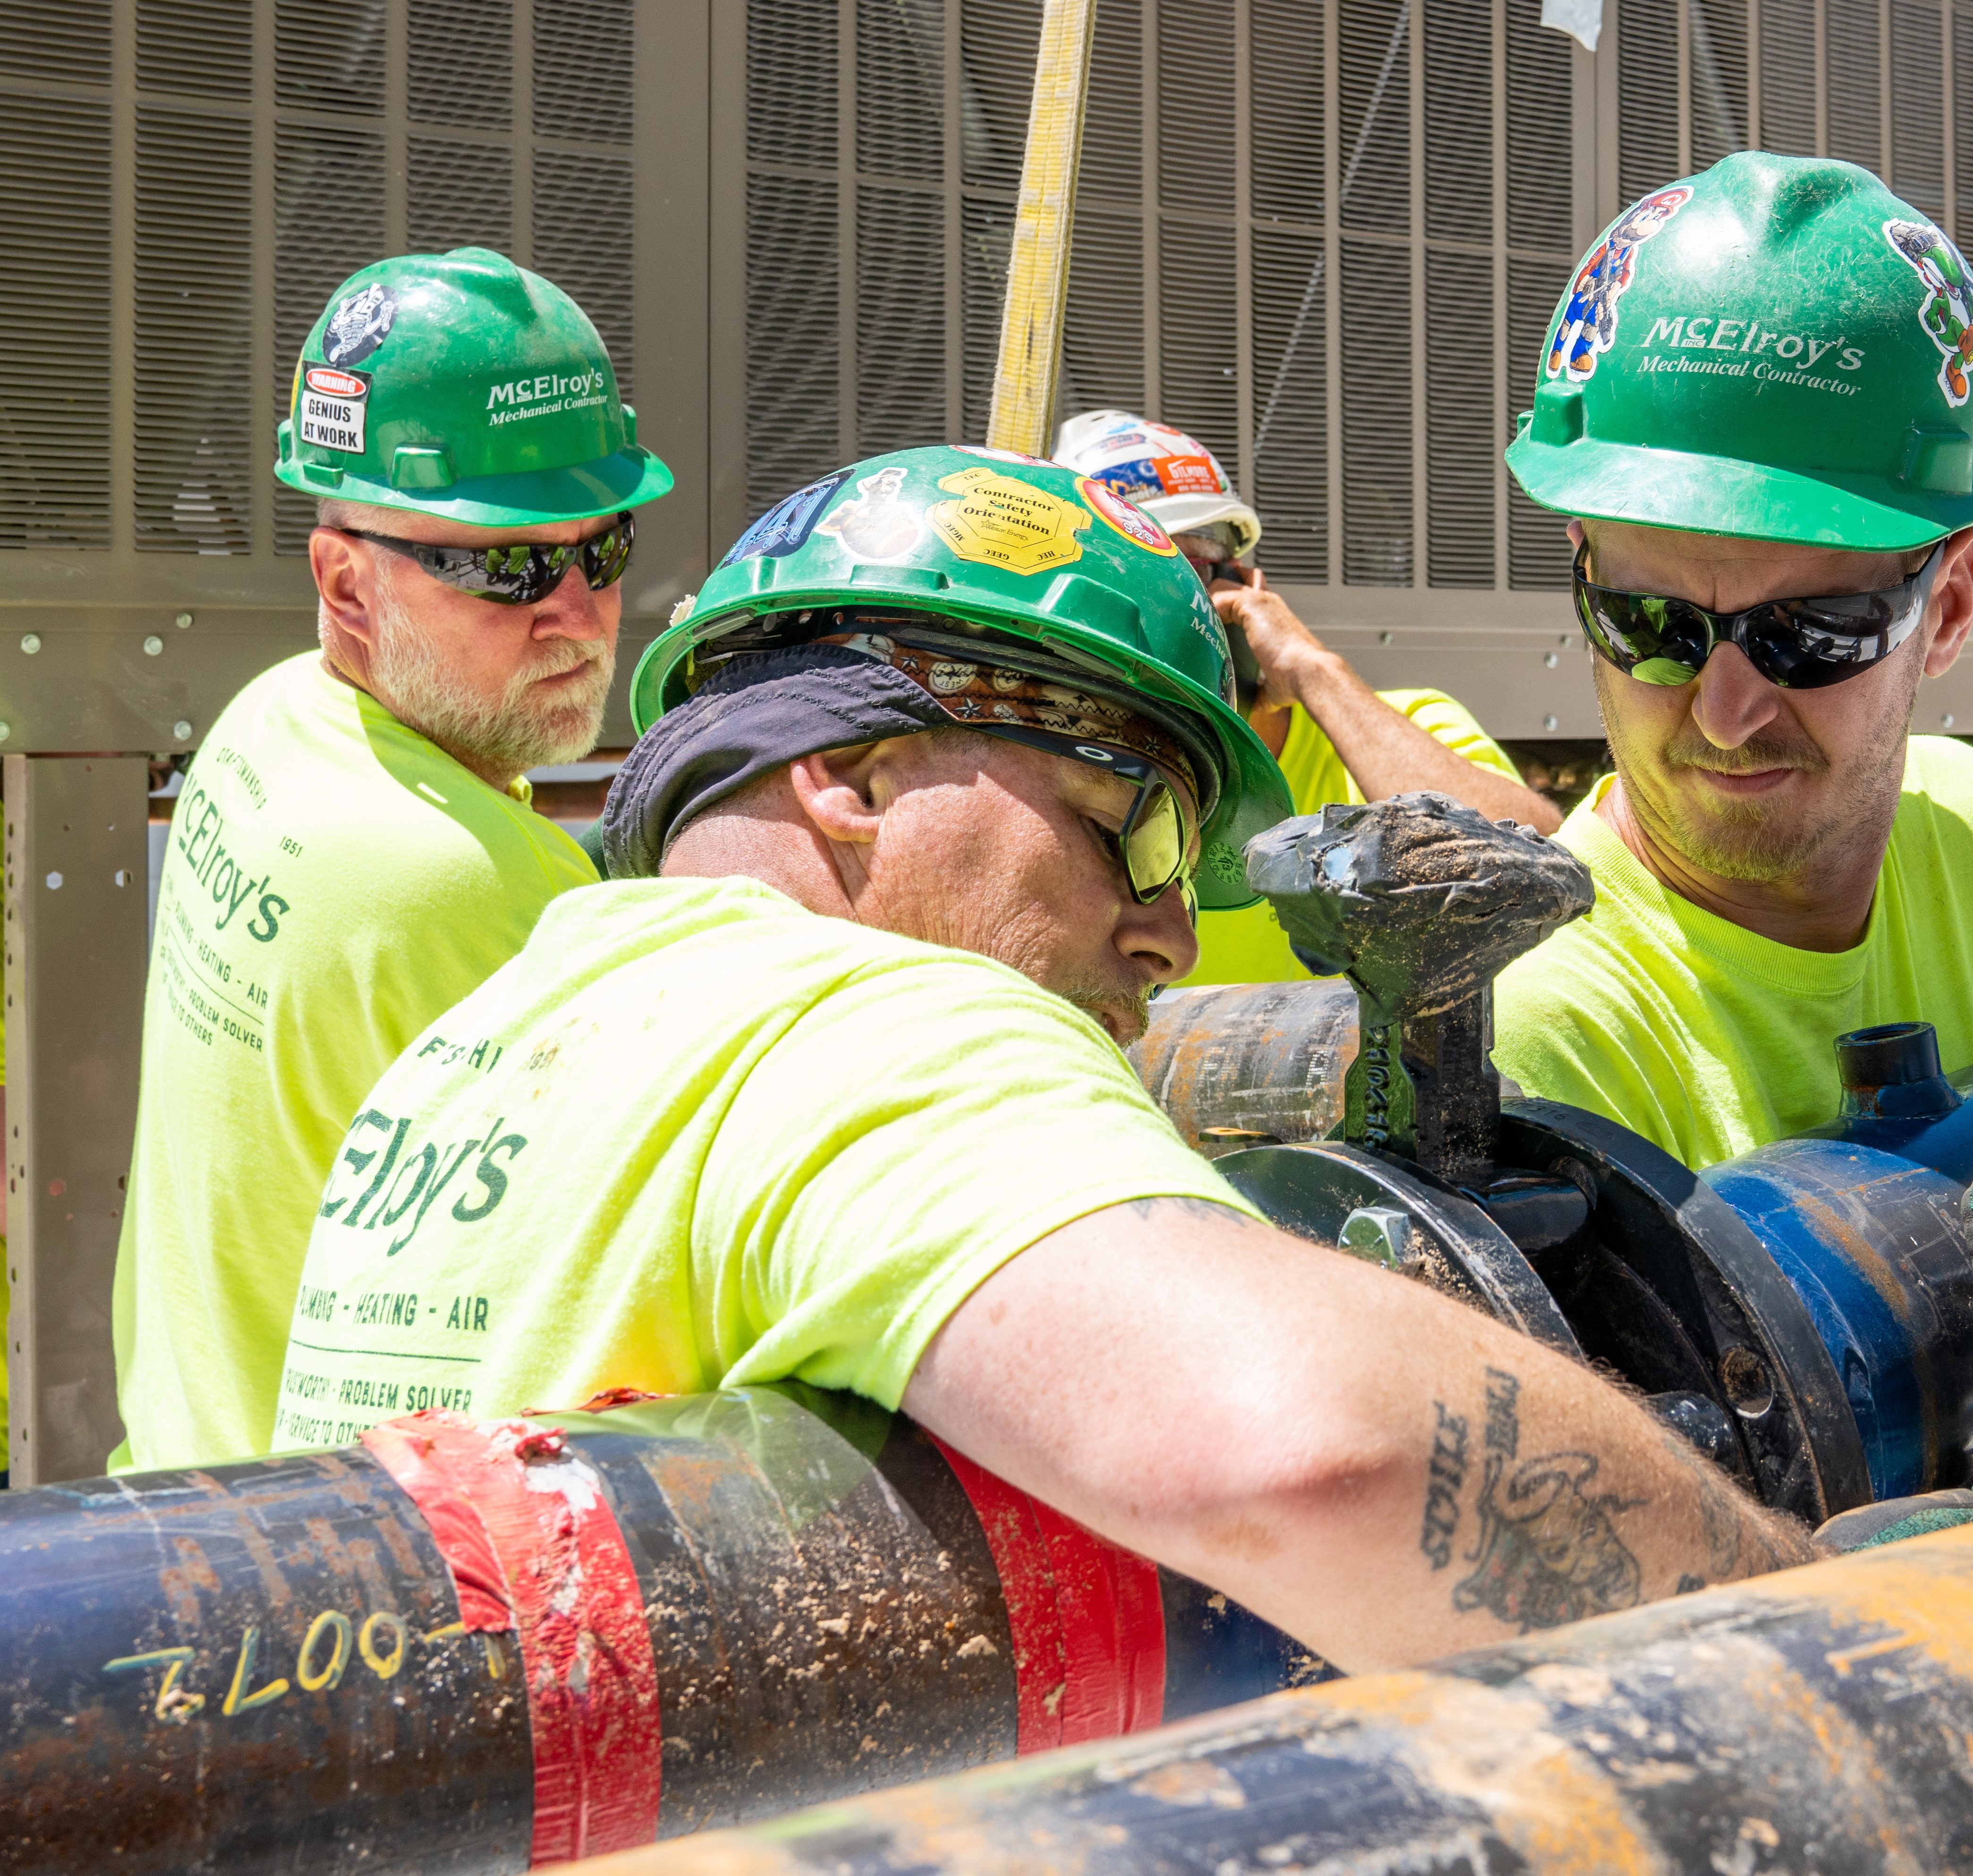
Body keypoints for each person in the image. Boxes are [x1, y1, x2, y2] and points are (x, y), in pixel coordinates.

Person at [267, 447, 1819, 1672]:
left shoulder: (484, 1033)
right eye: (1130, 821)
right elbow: (1315, 1448)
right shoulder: (859, 1019)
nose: (1166, 931)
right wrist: (1837, 1623)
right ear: (851, 774)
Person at [112, 248, 674, 1469]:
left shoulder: (268, 722)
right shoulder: (454, 878)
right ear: (346, 579)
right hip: (341, 1599)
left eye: (605, 545)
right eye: (509, 564)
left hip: (195, 1500)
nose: (576, 610)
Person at [1485, 152, 1973, 1173]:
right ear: (1581, 575)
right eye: (1648, 623)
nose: (1723, 711)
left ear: (1952, 607)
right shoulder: (1544, 1035)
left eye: (1809, 632)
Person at [1053, 412, 1559, 984]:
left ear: (1246, 592)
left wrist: (1314, 671)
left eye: (1188, 577)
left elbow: (1537, 879)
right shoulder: (1074, 784)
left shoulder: (1398, 730)